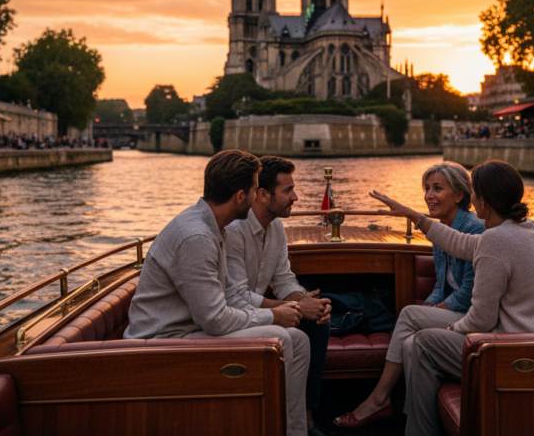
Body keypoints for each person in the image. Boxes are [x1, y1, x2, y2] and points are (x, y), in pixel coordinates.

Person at [369, 160, 534, 436]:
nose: (472, 201)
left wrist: (453, 327)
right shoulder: (530, 229)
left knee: (424, 344)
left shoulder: (495, 241)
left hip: (514, 352)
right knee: (421, 341)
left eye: (474, 194)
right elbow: (460, 243)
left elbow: (481, 318)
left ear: (482, 201)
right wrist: (415, 216)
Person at [124, 150, 312, 436]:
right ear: (240, 196)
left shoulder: (212, 227)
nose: (255, 198)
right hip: (161, 341)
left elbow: (228, 298)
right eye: (252, 191)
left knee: (298, 341)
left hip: (187, 329)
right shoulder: (197, 237)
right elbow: (215, 319)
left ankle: (294, 431)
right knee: (282, 339)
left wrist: (278, 314)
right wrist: (273, 316)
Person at [334, 161, 484, 429]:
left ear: (460, 195)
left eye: (438, 188)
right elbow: (442, 284)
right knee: (410, 344)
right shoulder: (440, 227)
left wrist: (428, 313)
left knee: (409, 314)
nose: (429, 195)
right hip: (455, 311)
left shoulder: (474, 229)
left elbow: (469, 294)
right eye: (427, 188)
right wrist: (430, 306)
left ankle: (379, 399)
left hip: (472, 316)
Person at [226, 156, 332, 435]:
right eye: (288, 190)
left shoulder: (275, 228)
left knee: (318, 320)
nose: (295, 197)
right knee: (298, 324)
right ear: (262, 195)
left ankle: (306, 419)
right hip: (236, 311)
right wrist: (294, 306)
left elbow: (283, 278)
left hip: (254, 306)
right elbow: (236, 296)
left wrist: (306, 301)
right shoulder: (233, 231)